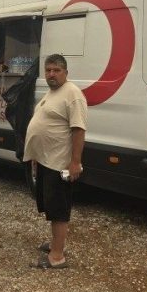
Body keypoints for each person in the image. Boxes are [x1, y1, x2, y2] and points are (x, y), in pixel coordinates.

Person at [23, 54, 87, 270]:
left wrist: (75, 163)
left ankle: (57, 257)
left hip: (60, 162)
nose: (51, 74)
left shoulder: (73, 94)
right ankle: (55, 244)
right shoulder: (53, 92)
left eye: (56, 70)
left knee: (59, 209)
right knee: (51, 206)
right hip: (45, 160)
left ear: (66, 72)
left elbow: (78, 129)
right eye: (48, 70)